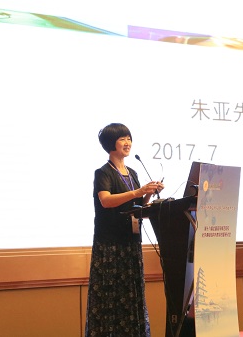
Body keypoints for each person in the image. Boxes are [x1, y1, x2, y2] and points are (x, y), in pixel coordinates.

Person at [85, 123, 164, 337]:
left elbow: (137, 205)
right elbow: (106, 201)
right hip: (110, 245)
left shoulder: (133, 173)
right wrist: (138, 191)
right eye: (122, 139)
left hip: (131, 242)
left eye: (129, 138)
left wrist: (149, 192)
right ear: (111, 144)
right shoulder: (103, 173)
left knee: (131, 293)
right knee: (110, 296)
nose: (127, 142)